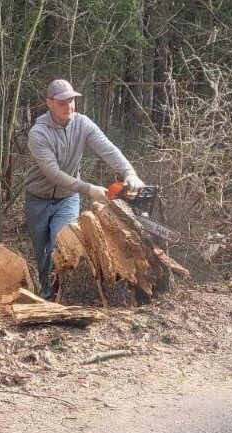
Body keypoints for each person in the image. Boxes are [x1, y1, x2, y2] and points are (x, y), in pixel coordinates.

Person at [25, 79, 144, 299]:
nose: (68, 106)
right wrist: (88, 189)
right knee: (41, 251)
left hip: (67, 198)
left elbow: (107, 149)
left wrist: (129, 172)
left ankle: (63, 296)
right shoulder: (38, 133)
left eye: (71, 101)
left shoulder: (83, 124)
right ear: (49, 103)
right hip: (37, 199)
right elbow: (53, 173)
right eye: (62, 102)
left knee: (62, 244)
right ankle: (46, 293)